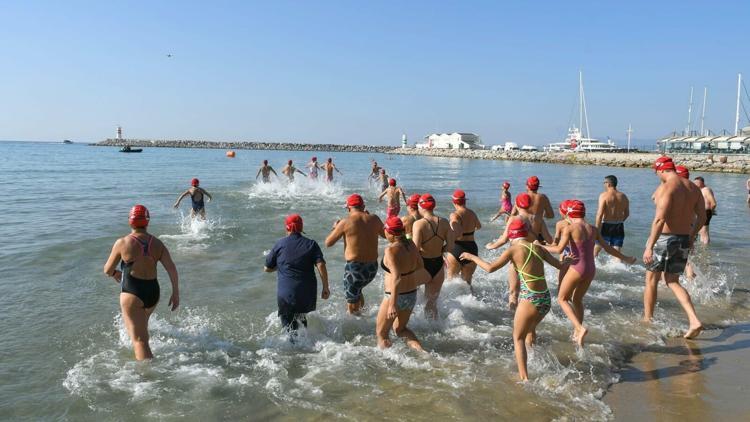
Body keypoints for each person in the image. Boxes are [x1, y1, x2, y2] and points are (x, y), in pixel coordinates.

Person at [460, 219, 572, 381]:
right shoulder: (537, 247)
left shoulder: (513, 250)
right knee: (530, 330)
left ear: (511, 235)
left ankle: (524, 378)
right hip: (545, 299)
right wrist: (567, 261)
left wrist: (472, 256)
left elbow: (490, 268)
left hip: (530, 299)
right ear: (526, 232)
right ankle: (534, 360)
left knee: (517, 337)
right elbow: (560, 266)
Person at [542, 200, 636, 347]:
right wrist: (625, 258)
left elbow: (558, 249)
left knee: (562, 299)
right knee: (577, 300)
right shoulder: (593, 229)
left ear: (569, 213)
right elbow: (608, 248)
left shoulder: (571, 228)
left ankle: (579, 328)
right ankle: (576, 332)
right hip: (590, 269)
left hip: (576, 268)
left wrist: (539, 246)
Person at [103, 205, 179, 360]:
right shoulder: (158, 244)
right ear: (147, 222)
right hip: (153, 293)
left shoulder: (123, 243)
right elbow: (172, 269)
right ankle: (145, 355)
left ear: (130, 222)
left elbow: (107, 270)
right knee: (141, 331)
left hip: (132, 292)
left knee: (139, 341)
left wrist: (115, 273)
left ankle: (147, 379)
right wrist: (175, 293)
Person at [643, 156, 705, 339]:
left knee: (651, 281)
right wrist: (692, 236)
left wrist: (649, 246)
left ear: (661, 170)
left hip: (664, 240)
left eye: (657, 173)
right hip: (683, 238)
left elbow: (660, 219)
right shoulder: (693, 188)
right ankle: (694, 320)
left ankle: (648, 320)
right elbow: (702, 218)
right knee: (672, 281)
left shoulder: (667, 188)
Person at [264, 214, 330, 339]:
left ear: (287, 228)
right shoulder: (311, 244)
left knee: (289, 331)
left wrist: (282, 265)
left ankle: (293, 355)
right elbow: (321, 265)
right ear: (301, 227)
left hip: (286, 294)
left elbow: (267, 268)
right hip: (306, 293)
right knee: (302, 323)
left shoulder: (279, 244)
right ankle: (305, 352)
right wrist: (325, 287)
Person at [486, 193, 551, 309]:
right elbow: (549, 240)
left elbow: (504, 239)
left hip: (518, 255)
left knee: (513, 293)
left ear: (517, 204)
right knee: (531, 289)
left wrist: (491, 246)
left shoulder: (514, 219)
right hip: (534, 255)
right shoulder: (539, 219)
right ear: (529, 204)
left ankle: (515, 317)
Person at [376, 216, 430, 351]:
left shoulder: (390, 250)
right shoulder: (410, 243)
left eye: (385, 230)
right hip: (411, 294)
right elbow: (420, 265)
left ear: (390, 233)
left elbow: (396, 277)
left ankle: (387, 364)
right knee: (401, 330)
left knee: (382, 334)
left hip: (393, 296)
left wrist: (392, 304)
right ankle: (422, 353)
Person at [325, 194, 384, 314]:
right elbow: (386, 235)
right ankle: (363, 317)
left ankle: (358, 328)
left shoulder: (345, 222)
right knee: (358, 290)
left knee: (352, 311)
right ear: (363, 206)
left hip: (355, 270)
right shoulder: (374, 218)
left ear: (348, 208)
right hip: (372, 269)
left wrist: (335, 228)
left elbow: (328, 243)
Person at [412, 193, 454, 319]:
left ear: (421, 206)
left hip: (422, 265)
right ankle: (435, 327)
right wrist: (440, 250)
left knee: (408, 295)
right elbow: (451, 246)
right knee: (431, 304)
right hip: (438, 266)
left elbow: (415, 249)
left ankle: (411, 325)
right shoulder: (445, 222)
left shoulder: (419, 224)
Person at [445, 189, 482, 288]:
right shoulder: (472, 213)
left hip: (457, 248)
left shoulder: (455, 215)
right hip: (471, 249)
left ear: (454, 202)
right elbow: (479, 226)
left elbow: (457, 233)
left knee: (450, 283)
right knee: (467, 284)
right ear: (465, 201)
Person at [594, 175, 630, 257]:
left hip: (606, 225)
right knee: (617, 251)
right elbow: (627, 214)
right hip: (619, 226)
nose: (603, 185)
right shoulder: (624, 196)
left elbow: (599, 214)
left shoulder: (604, 196)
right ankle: (619, 266)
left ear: (608, 184)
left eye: (604, 183)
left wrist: (596, 230)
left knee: (596, 249)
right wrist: (619, 221)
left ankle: (592, 266)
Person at [693, 176, 717, 245]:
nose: (695, 184)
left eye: (696, 183)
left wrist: (710, 212)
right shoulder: (701, 190)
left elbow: (713, 203)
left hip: (706, 212)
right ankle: (703, 246)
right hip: (702, 212)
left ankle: (705, 249)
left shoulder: (706, 190)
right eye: (694, 182)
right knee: (701, 231)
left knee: (704, 231)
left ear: (702, 183)